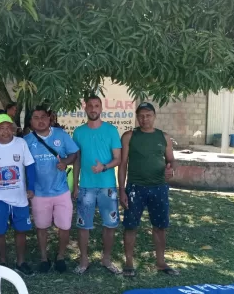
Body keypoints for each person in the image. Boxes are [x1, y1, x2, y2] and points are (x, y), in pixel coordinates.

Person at [118, 102, 179, 278]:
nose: (145, 119)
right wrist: (122, 190)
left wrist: (171, 168)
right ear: (137, 117)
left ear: (154, 116)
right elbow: (122, 165)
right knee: (130, 226)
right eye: (141, 116)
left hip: (159, 187)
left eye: (148, 115)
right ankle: (129, 262)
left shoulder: (163, 137)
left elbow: (171, 160)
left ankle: (160, 262)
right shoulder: (129, 136)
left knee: (160, 226)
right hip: (135, 188)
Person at [0, 114, 37, 277]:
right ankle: (3, 263)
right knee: (0, 231)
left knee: (21, 230)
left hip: (20, 198)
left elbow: (30, 166)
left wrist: (31, 187)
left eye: (8, 127)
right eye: (1, 128)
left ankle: (21, 262)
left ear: (13, 128)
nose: (5, 131)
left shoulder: (21, 143)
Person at [24, 106, 79, 273]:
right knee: (41, 226)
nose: (40, 120)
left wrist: (65, 162)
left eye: (43, 116)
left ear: (50, 118)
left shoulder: (61, 135)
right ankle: (43, 258)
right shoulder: (26, 140)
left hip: (61, 191)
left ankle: (60, 256)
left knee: (64, 226)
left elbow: (74, 153)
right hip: (38, 193)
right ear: (31, 122)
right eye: (35, 117)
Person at [72, 95, 122, 275]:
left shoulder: (111, 131)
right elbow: (76, 160)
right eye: (90, 106)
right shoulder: (78, 132)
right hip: (85, 186)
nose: (93, 109)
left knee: (110, 224)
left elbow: (118, 159)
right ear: (85, 108)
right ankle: (84, 260)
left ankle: (106, 258)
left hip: (107, 186)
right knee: (83, 225)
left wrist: (104, 167)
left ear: (101, 108)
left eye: (97, 106)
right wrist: (75, 185)